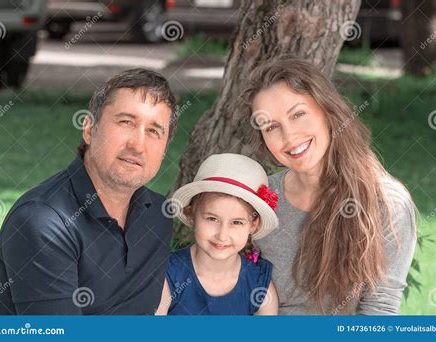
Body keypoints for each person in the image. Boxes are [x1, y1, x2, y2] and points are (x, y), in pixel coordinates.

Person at [0, 68, 178, 315]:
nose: (138, 145)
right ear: (89, 129)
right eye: (126, 122)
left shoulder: (157, 215)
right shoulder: (42, 222)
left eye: (154, 131)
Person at [240, 56, 417, 315]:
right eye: (271, 127)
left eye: (298, 114)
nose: (289, 137)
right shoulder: (260, 199)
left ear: (328, 111)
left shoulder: (386, 203)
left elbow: (379, 313)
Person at [155, 153, 279, 315]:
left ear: (253, 225)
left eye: (237, 222)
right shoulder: (168, 275)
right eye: (212, 219)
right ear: (192, 214)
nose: (222, 235)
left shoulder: (259, 285)